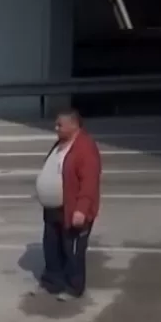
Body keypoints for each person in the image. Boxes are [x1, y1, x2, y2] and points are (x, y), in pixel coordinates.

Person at [33, 108, 102, 301]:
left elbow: (89, 182)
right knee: (51, 247)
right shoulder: (61, 143)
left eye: (59, 125)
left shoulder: (85, 148)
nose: (55, 128)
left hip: (72, 209)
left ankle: (74, 288)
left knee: (71, 251)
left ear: (73, 124)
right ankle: (52, 282)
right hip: (53, 209)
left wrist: (81, 210)